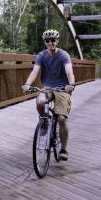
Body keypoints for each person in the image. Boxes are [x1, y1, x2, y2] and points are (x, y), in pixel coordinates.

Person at [22, 29, 75, 161]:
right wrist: (27, 84)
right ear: (45, 42)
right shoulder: (41, 55)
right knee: (40, 101)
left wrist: (71, 83)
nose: (50, 43)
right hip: (47, 88)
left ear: (57, 41)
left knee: (61, 119)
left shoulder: (64, 55)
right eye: (47, 41)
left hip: (63, 89)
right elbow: (34, 71)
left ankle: (63, 149)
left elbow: (69, 72)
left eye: (53, 40)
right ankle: (45, 121)